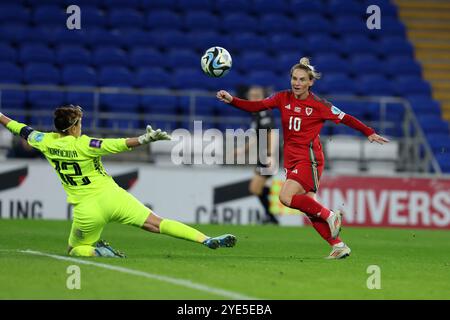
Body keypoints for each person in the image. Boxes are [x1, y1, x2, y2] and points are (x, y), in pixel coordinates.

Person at [0, 105, 236, 257]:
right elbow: (116, 144)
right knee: (156, 223)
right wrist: (146, 138)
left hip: (87, 209)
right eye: (79, 123)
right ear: (73, 128)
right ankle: (205, 239)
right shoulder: (85, 144)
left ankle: (99, 253)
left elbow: (19, 128)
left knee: (74, 250)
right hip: (114, 197)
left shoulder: (45, 141)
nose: (81, 126)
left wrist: (0, 115)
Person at [217, 57, 389, 259]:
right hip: (292, 159)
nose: (297, 83)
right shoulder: (282, 98)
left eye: (301, 79)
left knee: (285, 197)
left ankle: (330, 215)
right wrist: (232, 100)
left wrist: (368, 132)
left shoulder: (319, 105)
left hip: (310, 159)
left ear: (310, 82)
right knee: (309, 208)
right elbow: (257, 106)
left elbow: (345, 118)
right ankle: (339, 245)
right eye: (294, 79)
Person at [236, 85, 279, 225]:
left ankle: (271, 217)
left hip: (268, 154)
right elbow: (256, 136)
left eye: (257, 96)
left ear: (262, 97)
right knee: (257, 188)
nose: (254, 98)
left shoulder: (264, 112)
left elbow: (272, 132)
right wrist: (243, 150)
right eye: (251, 96)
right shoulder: (256, 113)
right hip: (264, 154)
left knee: (255, 188)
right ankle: (270, 216)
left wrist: (271, 155)